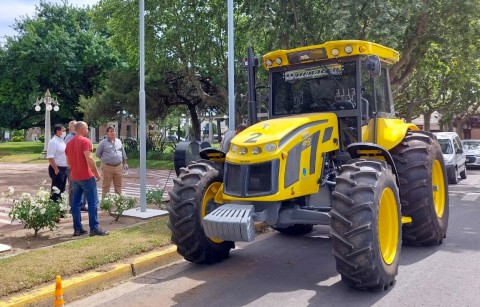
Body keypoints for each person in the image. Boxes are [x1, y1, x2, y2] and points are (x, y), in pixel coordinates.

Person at [65, 121, 109, 237]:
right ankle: (94, 228)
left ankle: (77, 229)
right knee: (93, 201)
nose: (88, 131)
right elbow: (89, 159)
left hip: (74, 176)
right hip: (86, 176)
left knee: (75, 203)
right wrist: (96, 173)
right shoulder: (85, 141)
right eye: (87, 128)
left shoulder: (69, 143)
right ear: (82, 129)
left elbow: (68, 162)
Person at [96, 125, 128, 199]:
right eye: (110, 131)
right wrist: (104, 159)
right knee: (106, 186)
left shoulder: (119, 141)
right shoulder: (103, 143)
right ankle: (105, 204)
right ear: (107, 133)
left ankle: (119, 203)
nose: (112, 133)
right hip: (107, 167)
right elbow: (98, 153)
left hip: (118, 166)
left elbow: (123, 153)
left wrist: (125, 162)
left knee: (118, 185)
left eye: (113, 131)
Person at [64, 120, 87, 212]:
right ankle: (72, 206)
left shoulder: (82, 138)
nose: (76, 127)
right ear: (71, 128)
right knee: (73, 187)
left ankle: (82, 205)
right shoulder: (69, 138)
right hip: (73, 166)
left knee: (84, 186)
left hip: (82, 166)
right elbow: (68, 153)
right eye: (74, 126)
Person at [46, 124, 68, 202]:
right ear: (58, 131)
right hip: (57, 168)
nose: (65, 132)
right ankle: (53, 206)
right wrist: (55, 168)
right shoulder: (53, 142)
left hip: (64, 168)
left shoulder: (61, 141)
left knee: (62, 190)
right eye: (63, 130)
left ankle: (60, 207)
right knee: (56, 190)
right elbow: (50, 157)